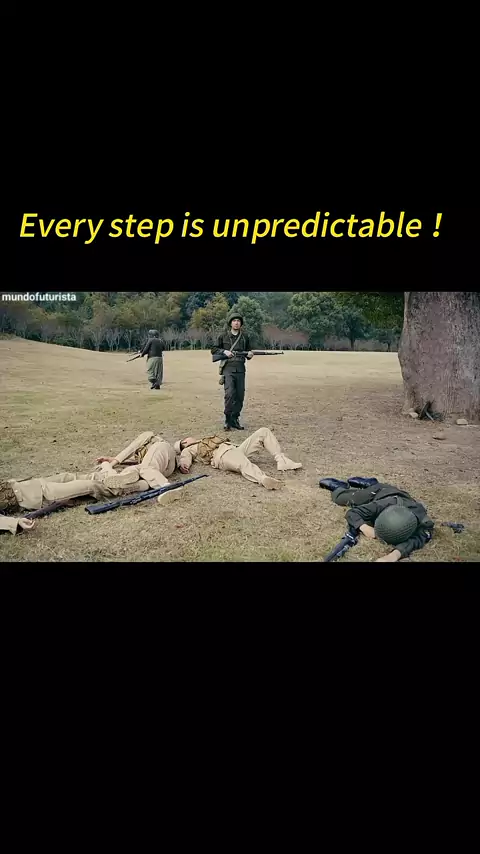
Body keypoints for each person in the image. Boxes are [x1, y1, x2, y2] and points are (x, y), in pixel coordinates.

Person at [0, 432, 180, 533]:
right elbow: (131, 448)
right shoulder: (154, 440)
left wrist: (112, 463)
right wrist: (13, 523)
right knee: (90, 486)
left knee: (71, 476)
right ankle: (139, 484)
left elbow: (132, 452)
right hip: (35, 494)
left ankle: (117, 476)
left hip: (33, 484)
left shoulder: (158, 446)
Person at [319, 476, 434, 562]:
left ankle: (370, 483)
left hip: (400, 495)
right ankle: (347, 487)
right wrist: (364, 527)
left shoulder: (425, 523)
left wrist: (393, 556)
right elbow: (353, 513)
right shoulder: (386, 504)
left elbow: (416, 540)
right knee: (341, 498)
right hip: (380, 492)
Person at [174, 427, 302, 489]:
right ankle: (263, 479)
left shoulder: (202, 440)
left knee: (263, 432)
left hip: (235, 449)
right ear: (184, 443)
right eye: (186, 439)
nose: (189, 437)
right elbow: (185, 458)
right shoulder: (188, 449)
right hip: (222, 456)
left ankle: (281, 460)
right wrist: (184, 465)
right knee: (242, 463)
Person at [211, 312, 254, 430]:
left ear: (241, 324)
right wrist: (224, 352)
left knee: (240, 396)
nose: (236, 323)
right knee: (229, 394)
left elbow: (248, 352)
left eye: (238, 321)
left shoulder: (245, 337)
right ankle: (228, 419)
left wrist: (250, 355)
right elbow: (213, 349)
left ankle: (235, 419)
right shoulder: (223, 336)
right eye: (234, 321)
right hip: (228, 369)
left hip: (240, 369)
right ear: (230, 323)